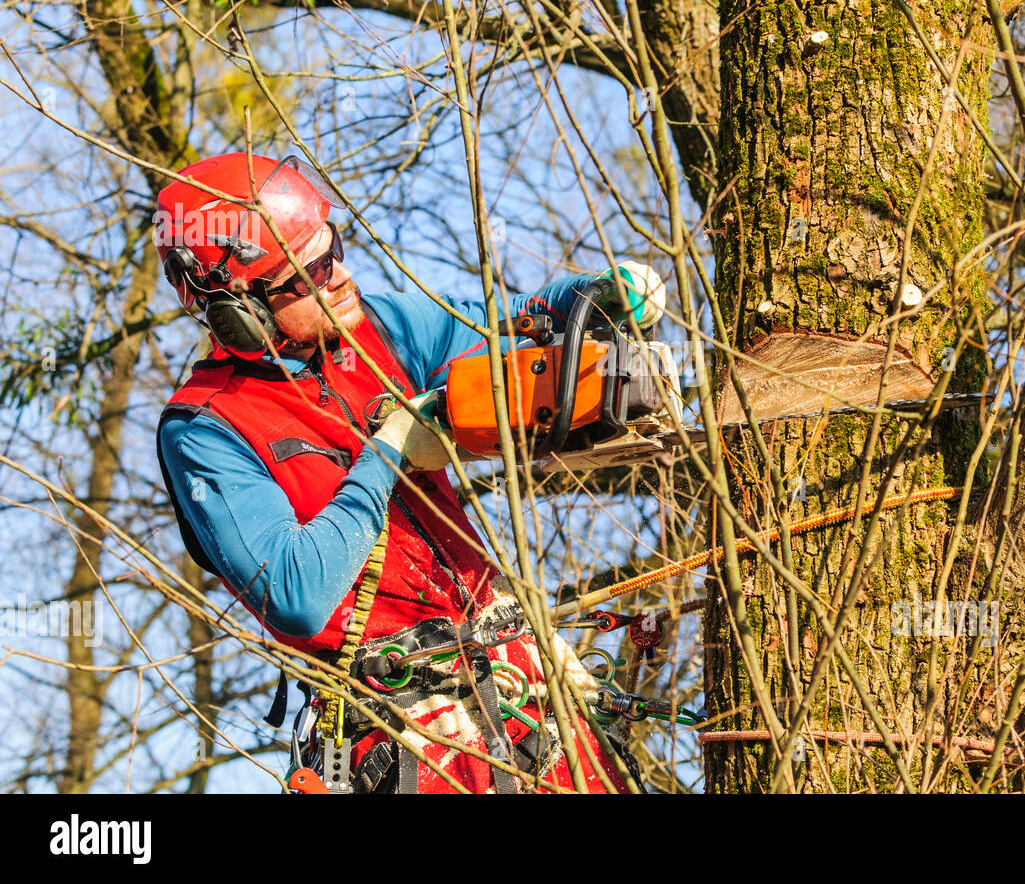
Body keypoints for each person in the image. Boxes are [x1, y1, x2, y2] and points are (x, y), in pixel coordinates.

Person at [154, 152, 656, 794]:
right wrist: (387, 448)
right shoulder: (206, 427)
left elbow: (501, 327)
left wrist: (585, 299)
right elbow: (295, 595)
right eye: (309, 271)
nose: (339, 272)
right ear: (239, 311)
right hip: (404, 724)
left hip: (520, 679)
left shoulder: (380, 328)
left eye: (332, 246)